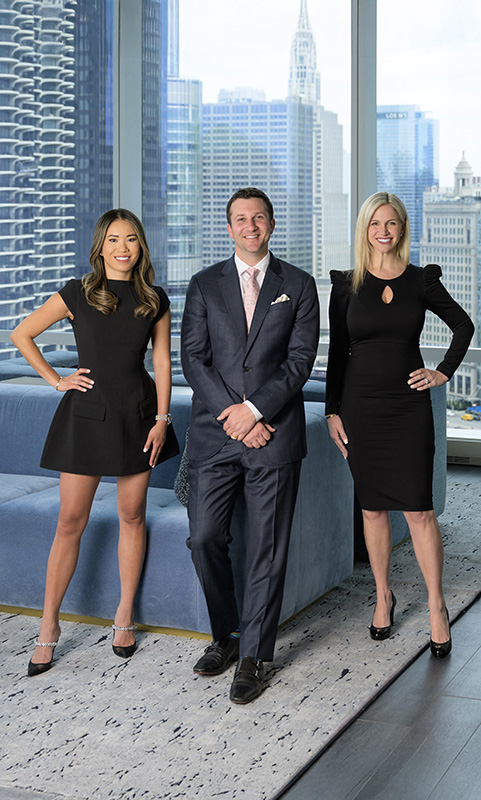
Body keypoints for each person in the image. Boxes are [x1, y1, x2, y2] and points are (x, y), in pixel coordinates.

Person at [11, 208, 178, 677]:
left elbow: (162, 362)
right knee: (70, 521)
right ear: (100, 247)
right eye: (114, 240)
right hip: (86, 417)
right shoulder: (77, 292)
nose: (123, 248)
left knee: (132, 515)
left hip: (138, 416)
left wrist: (162, 419)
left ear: (141, 246)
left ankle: (124, 616)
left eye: (131, 239)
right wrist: (56, 380)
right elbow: (22, 333)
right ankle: (49, 624)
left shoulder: (154, 299)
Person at [181, 187, 319, 703]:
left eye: (258, 217)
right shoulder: (203, 284)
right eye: (240, 218)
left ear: (272, 224)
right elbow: (194, 359)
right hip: (216, 435)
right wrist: (237, 418)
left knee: (267, 549)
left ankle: (255, 657)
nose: (250, 225)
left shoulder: (298, 285)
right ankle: (228, 635)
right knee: (203, 538)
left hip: (274, 436)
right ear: (229, 227)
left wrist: (256, 411)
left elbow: (299, 362)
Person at [326, 192, 474, 658]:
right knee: (372, 510)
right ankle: (383, 595)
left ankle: (436, 604)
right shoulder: (346, 285)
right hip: (360, 409)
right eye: (375, 223)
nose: (383, 231)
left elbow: (464, 326)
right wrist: (332, 412)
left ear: (402, 228)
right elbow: (337, 354)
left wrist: (443, 372)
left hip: (408, 409)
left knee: (419, 510)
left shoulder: (420, 280)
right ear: (365, 229)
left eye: (391, 223)